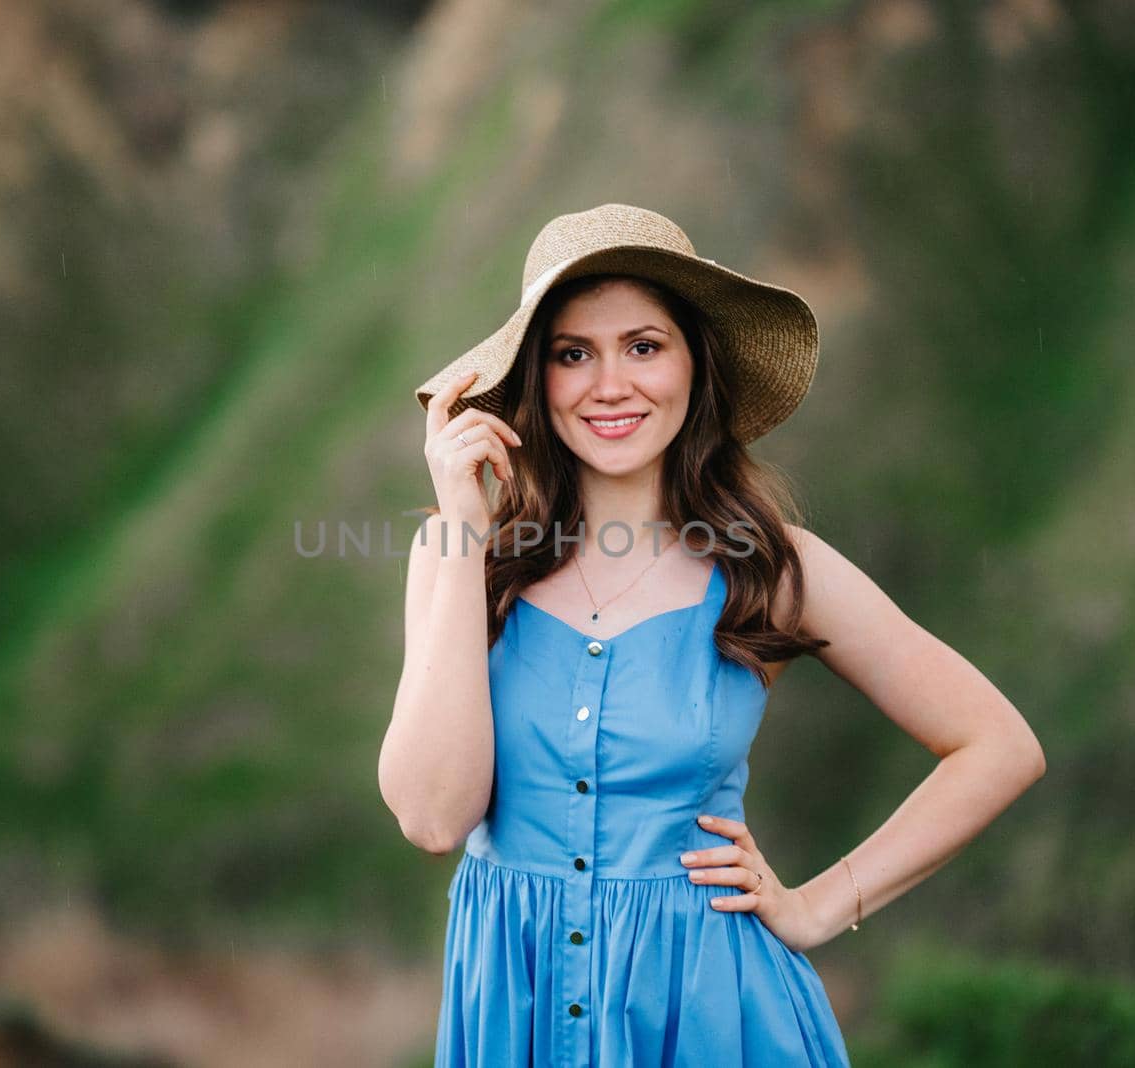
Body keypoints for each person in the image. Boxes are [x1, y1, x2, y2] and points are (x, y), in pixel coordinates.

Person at [379, 203, 1047, 1066]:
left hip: (714, 1020)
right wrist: (466, 531)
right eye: (572, 353)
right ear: (536, 382)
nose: (610, 383)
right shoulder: (456, 553)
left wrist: (819, 903)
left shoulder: (773, 568)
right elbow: (435, 818)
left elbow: (997, 744)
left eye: (644, 347)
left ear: (696, 365)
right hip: (519, 1019)